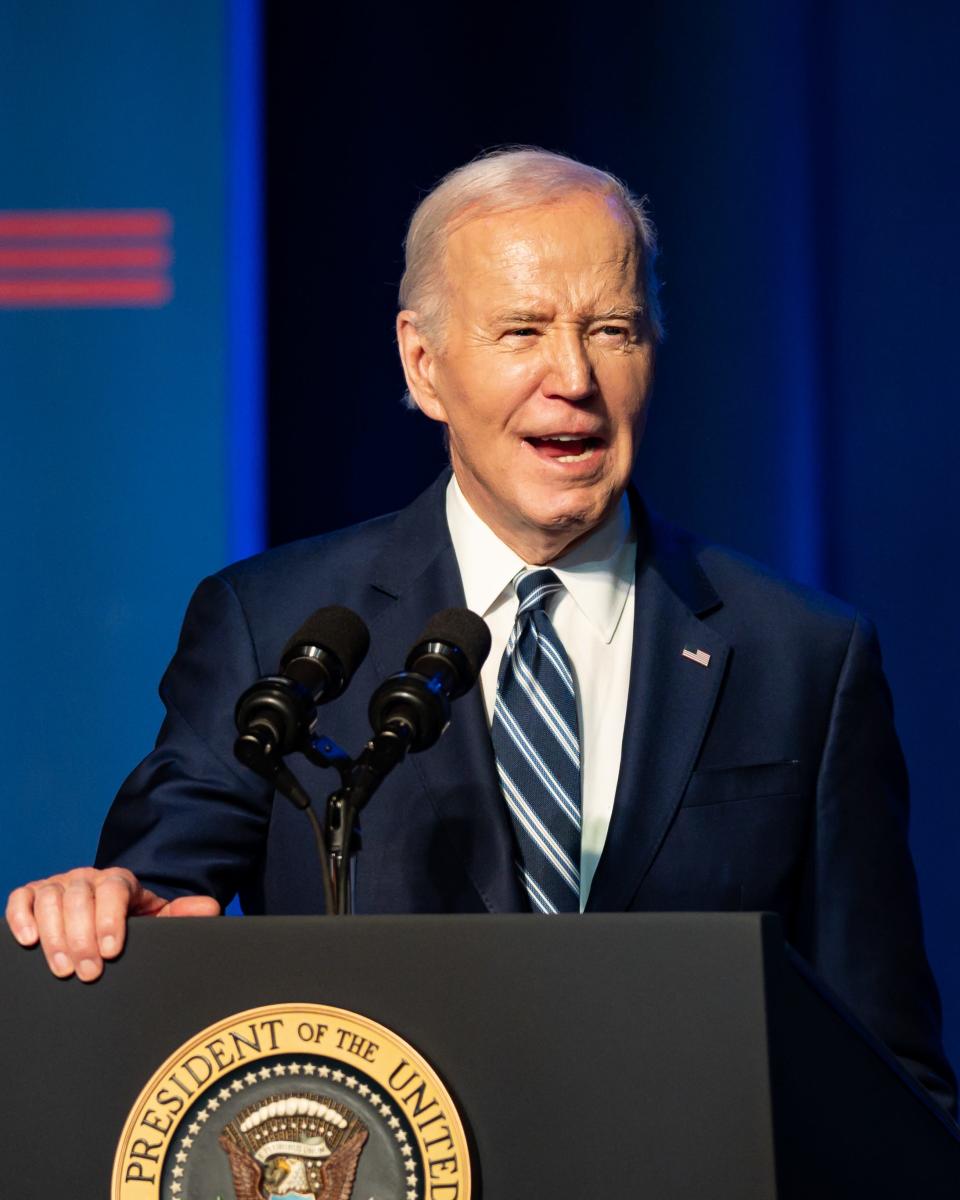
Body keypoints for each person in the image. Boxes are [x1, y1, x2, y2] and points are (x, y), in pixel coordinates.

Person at [5, 148, 955, 1112]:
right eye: (522, 331)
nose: (573, 377)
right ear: (424, 365)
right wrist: (111, 907)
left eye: (612, 329)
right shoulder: (273, 625)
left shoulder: (803, 655)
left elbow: (889, 1074)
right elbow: (162, 893)